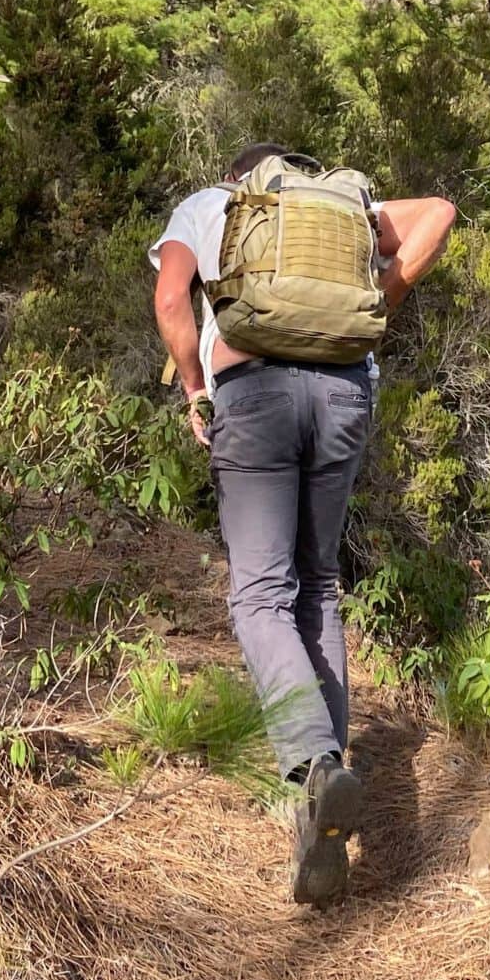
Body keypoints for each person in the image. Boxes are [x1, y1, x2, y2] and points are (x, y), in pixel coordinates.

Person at [151, 143, 455, 907]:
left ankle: (317, 764)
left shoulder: (215, 204)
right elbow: (440, 213)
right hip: (344, 395)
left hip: (253, 394)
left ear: (241, 176)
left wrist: (194, 388)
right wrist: (382, 296)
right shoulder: (345, 208)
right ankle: (321, 802)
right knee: (318, 586)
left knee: (259, 597)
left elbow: (169, 300)